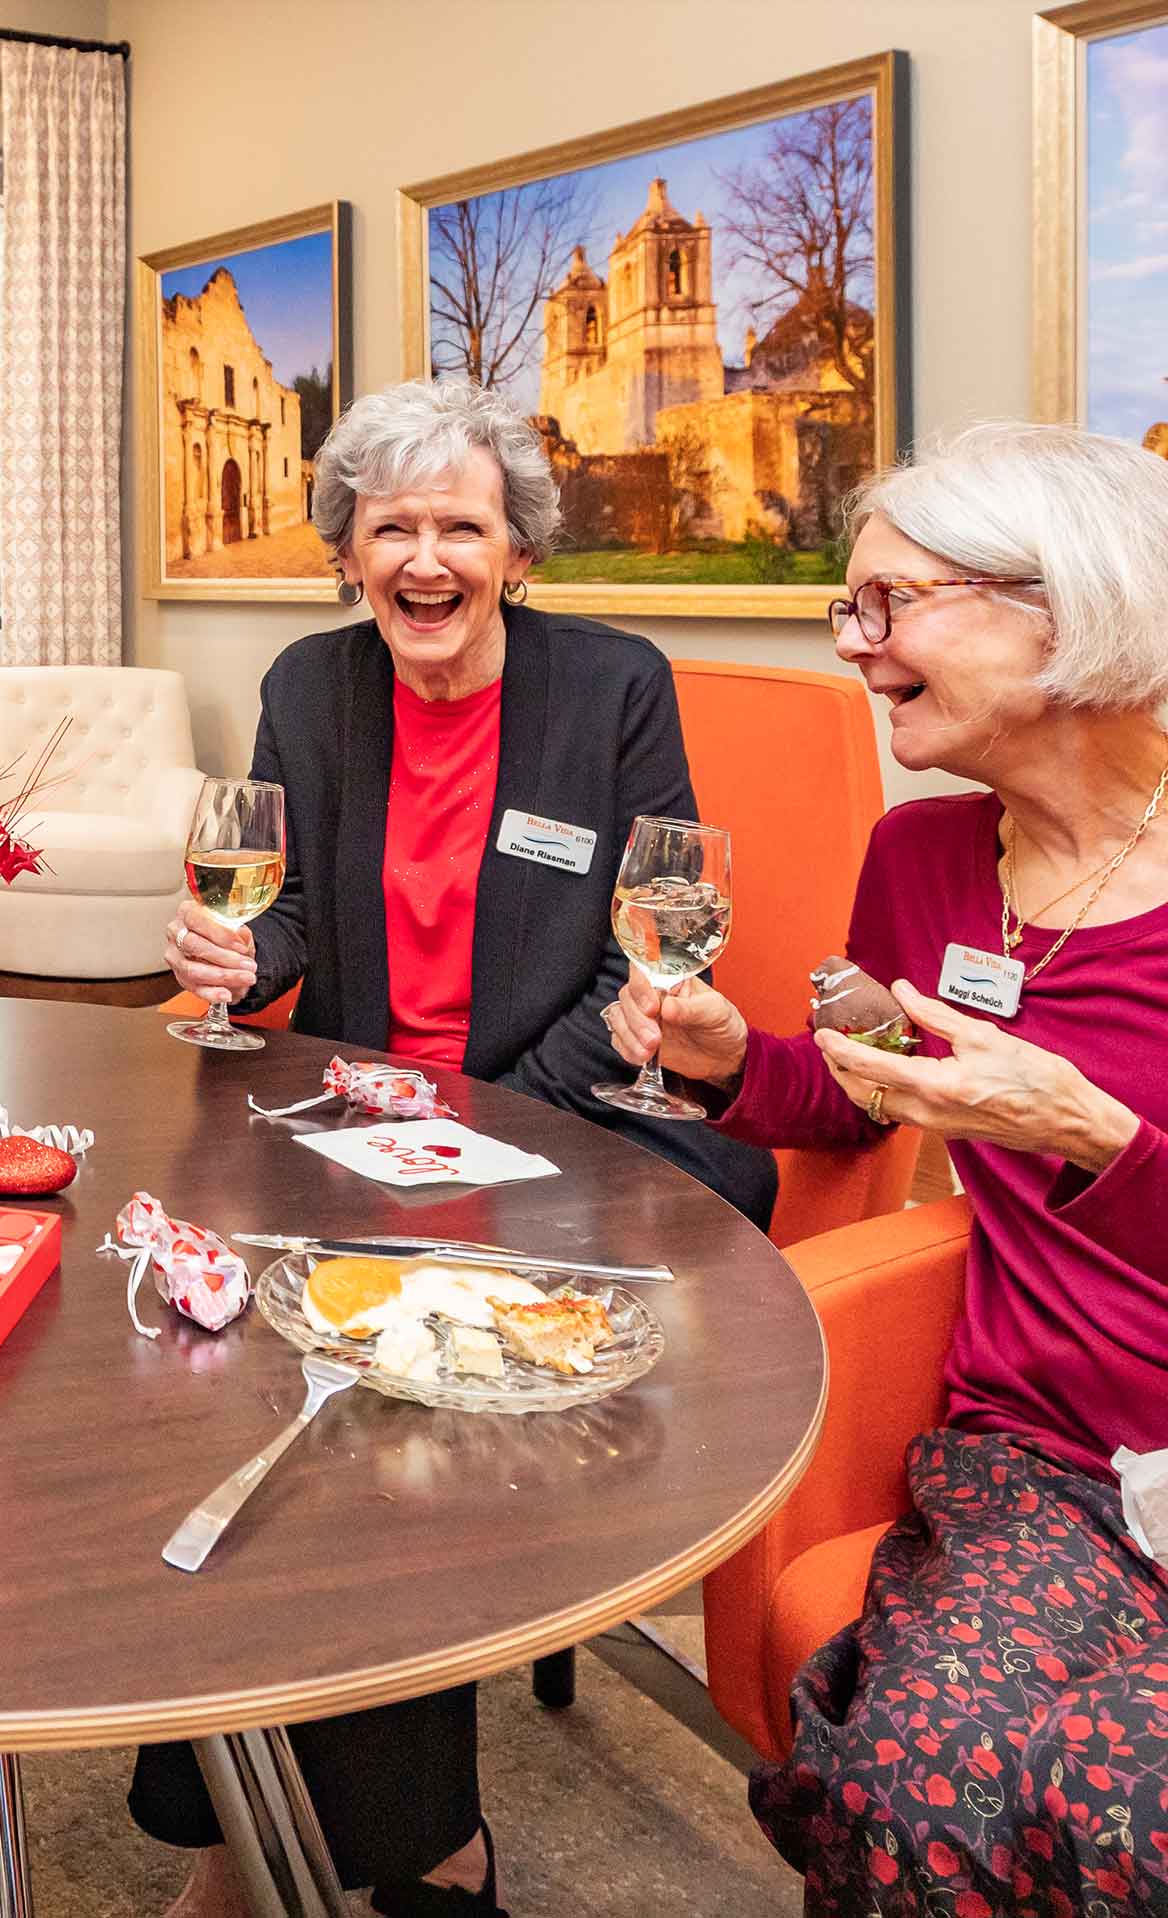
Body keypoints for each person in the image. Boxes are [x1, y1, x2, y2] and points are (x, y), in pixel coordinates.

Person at [148, 376, 776, 1918]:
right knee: (189, 1343)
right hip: (362, 1117)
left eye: (460, 525)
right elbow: (288, 909)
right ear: (350, 552)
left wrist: (482, 1119)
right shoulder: (310, 679)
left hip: (568, 1119)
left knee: (391, 1392)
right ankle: (258, 1800)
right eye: (391, 527)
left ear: (516, 550)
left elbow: (660, 943)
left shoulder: (612, 683)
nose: (424, 557)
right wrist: (244, 959)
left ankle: (399, 1839)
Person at [609, 421, 1168, 1918]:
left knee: (1116, 1801)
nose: (856, 646)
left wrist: (1097, 1139)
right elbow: (861, 1107)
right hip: (1044, 1461)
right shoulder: (924, 859)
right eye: (846, 607)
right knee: (905, 1779)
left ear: (1060, 604)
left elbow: (1065, 1130)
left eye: (889, 602)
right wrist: (732, 1058)